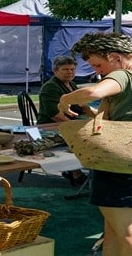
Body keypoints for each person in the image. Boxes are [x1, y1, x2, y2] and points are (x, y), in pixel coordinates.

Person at [58, 32, 132, 256]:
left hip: (120, 163)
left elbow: (92, 92)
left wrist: (64, 99)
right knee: (113, 229)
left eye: (98, 65)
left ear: (115, 57)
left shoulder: (124, 77)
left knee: (125, 232)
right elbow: (131, 116)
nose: (97, 71)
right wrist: (93, 112)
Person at [37, 55, 90, 185]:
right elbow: (54, 114)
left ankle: (74, 170)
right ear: (55, 71)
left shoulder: (71, 84)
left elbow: (79, 106)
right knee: (83, 138)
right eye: (65, 69)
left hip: (68, 122)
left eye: (72, 69)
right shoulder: (50, 87)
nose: (70, 72)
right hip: (50, 126)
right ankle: (76, 173)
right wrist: (75, 126)